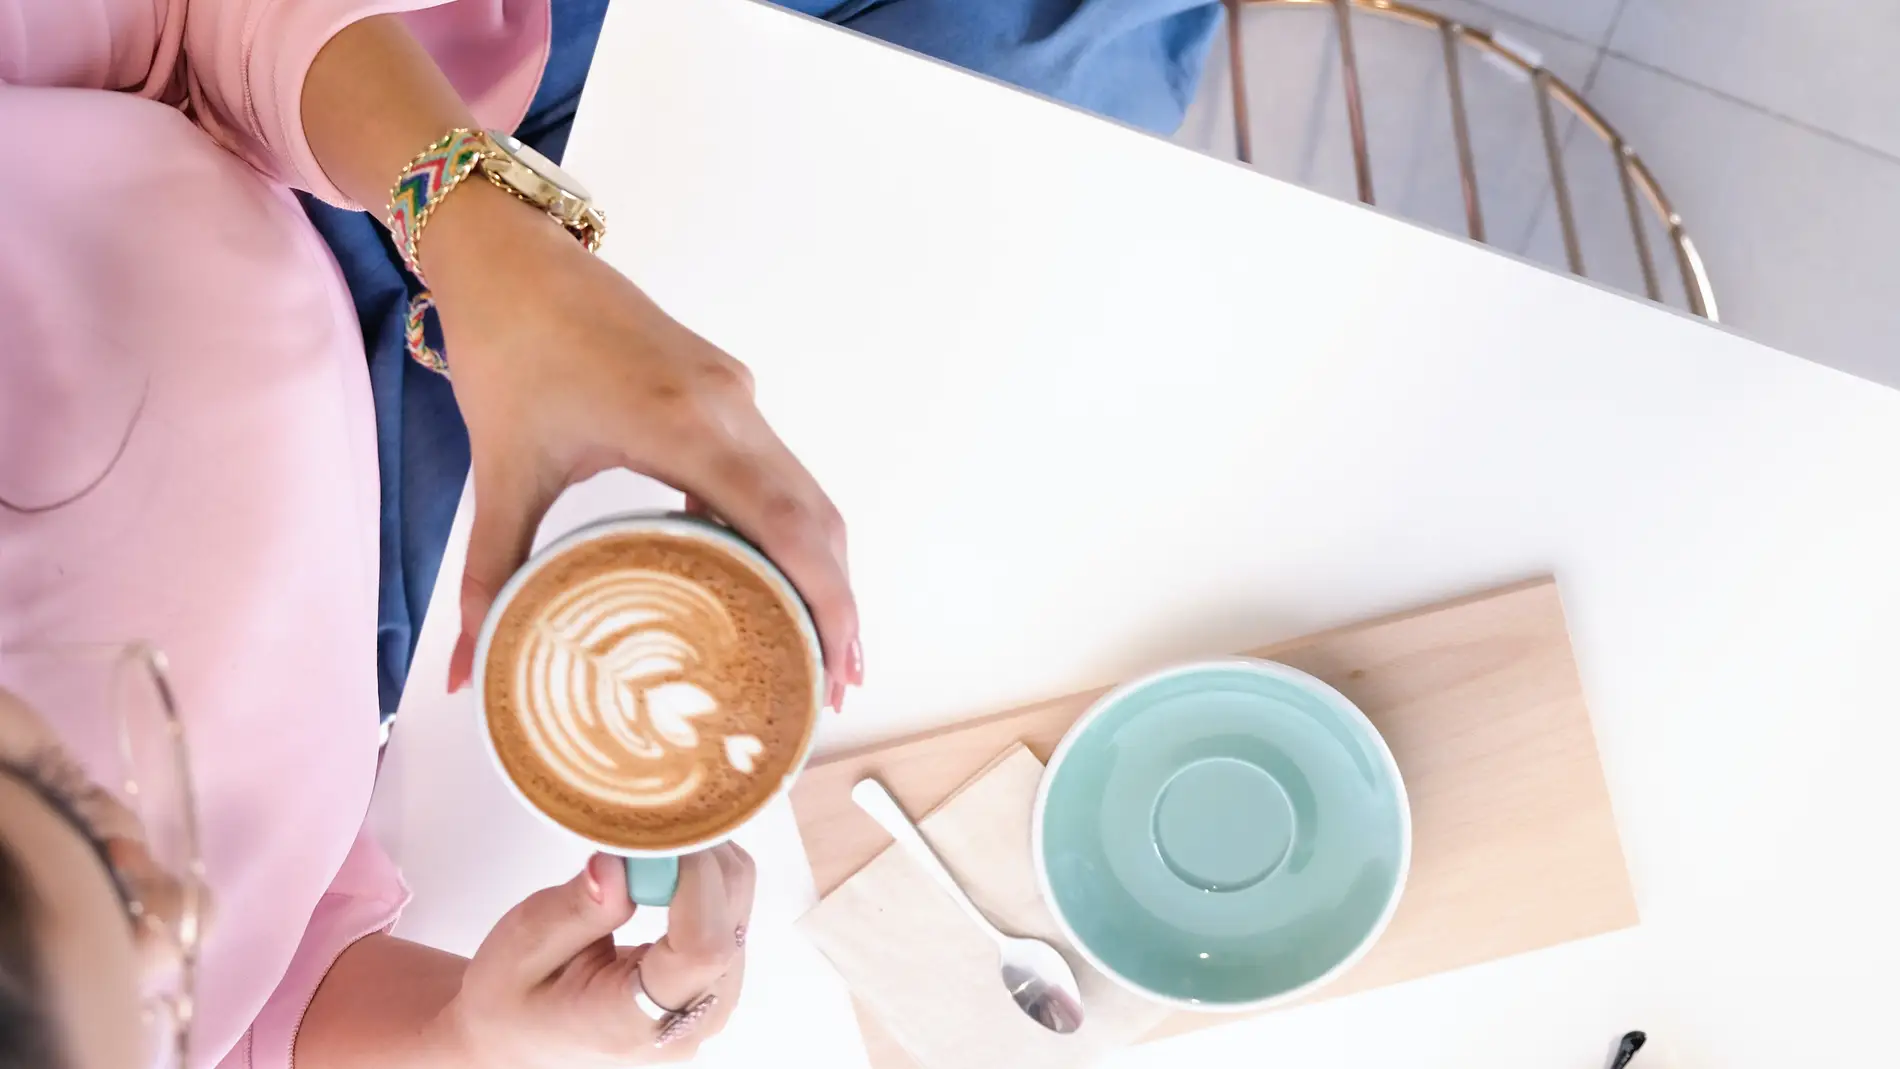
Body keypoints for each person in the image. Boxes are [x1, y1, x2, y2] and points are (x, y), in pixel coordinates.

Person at [1, 0, 1219, 1066]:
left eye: (68, 792)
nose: (185, 903)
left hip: (304, 121)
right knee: (1087, 73)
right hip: (395, 625)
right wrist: (468, 1037)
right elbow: (259, 1008)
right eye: (153, 1007)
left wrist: (483, 238)